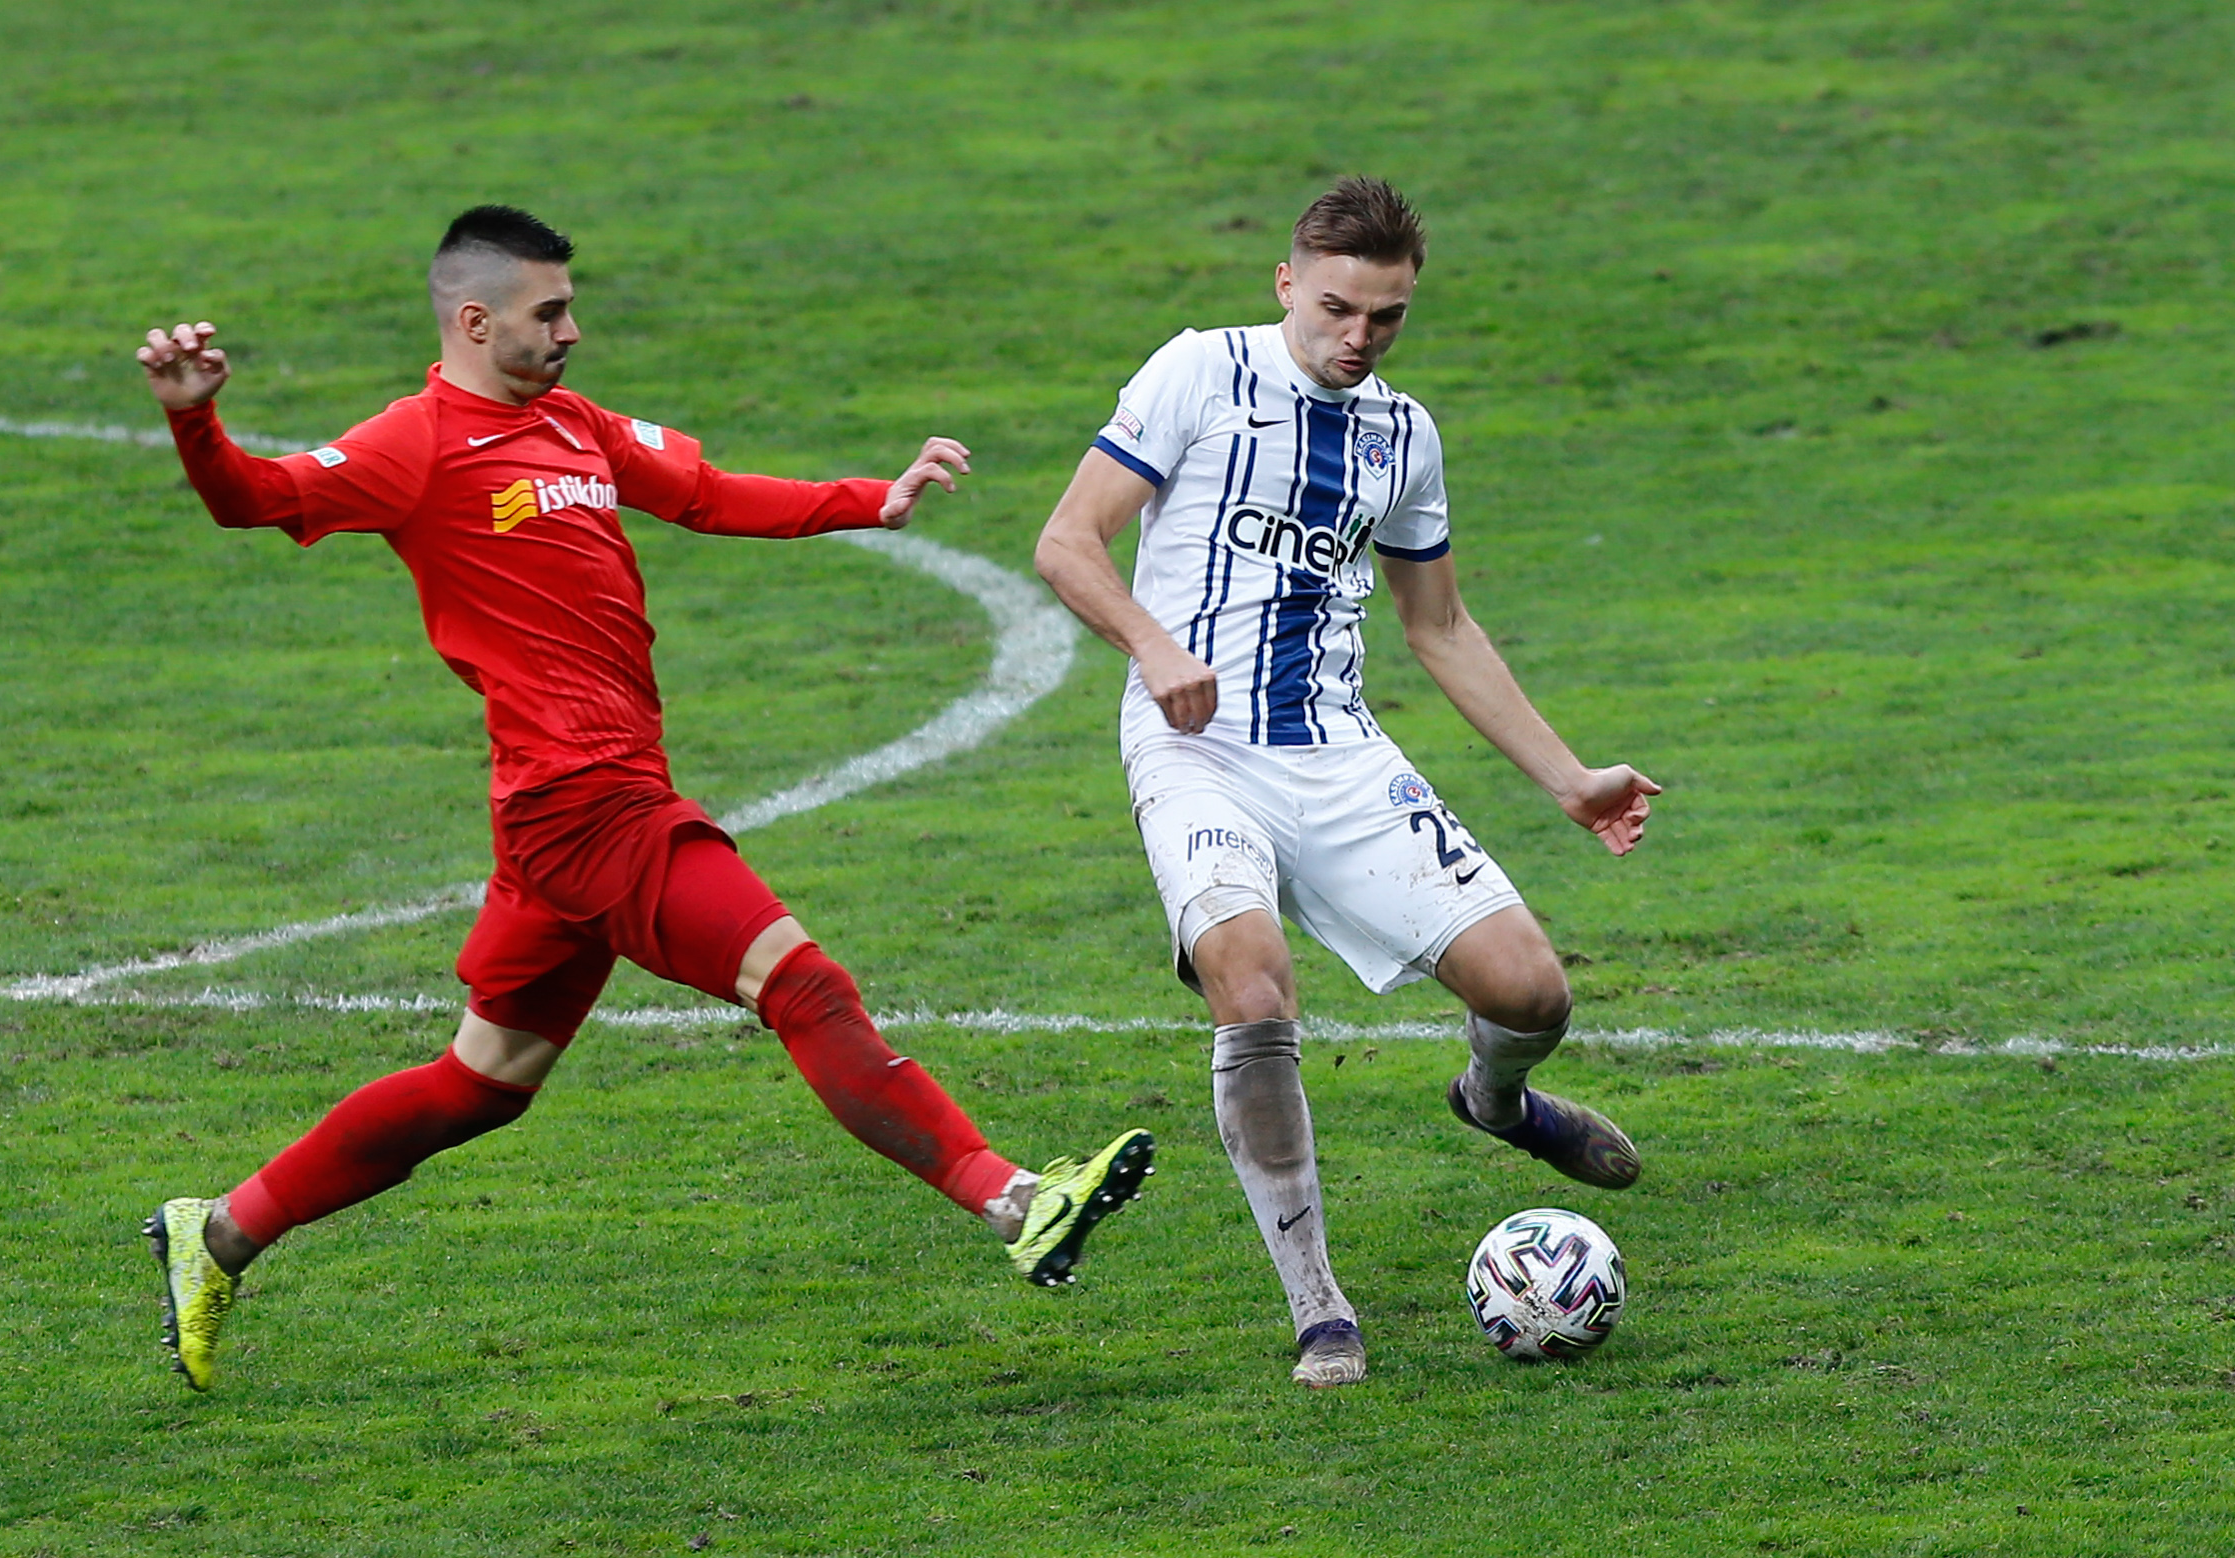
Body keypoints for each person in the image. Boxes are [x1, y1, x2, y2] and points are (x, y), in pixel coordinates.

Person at [137, 205, 1152, 1392]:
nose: (573, 330)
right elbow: (254, 497)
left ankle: (217, 1232)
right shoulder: (415, 444)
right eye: (550, 312)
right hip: (586, 803)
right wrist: (195, 417)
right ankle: (1016, 1200)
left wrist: (868, 498)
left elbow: (706, 492)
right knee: (803, 984)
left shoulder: (576, 424)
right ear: (476, 321)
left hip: (568, 811)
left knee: (480, 1084)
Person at [1032, 177, 1655, 1389]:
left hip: (1338, 752)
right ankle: (1319, 1306)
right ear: (1286, 283)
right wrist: (1155, 649)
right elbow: (1067, 540)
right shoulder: (1200, 372)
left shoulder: (1403, 436)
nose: (1359, 336)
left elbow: (1442, 626)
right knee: (1252, 980)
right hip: (1196, 750)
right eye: (1336, 308)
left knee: (1533, 994)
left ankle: (1498, 1102)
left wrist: (1570, 778)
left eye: (1387, 316)